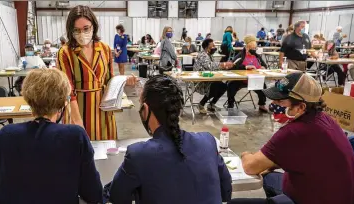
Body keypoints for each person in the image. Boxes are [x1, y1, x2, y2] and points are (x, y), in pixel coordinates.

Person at [230, 73, 354, 204]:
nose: (273, 104)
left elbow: (250, 167)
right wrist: (272, 163)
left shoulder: (293, 132)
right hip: (337, 196)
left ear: (301, 107)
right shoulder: (324, 118)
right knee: (269, 176)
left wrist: (246, 154)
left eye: (280, 101)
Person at [104, 75, 233, 204]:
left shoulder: (138, 155)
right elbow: (226, 192)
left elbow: (117, 197)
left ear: (145, 109)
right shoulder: (207, 141)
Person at [0, 68, 103, 203]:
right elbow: (93, 194)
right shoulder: (75, 136)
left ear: (28, 99)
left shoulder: (7, 134)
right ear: (63, 103)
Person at [57, 5, 136, 140]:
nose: (82, 33)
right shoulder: (65, 53)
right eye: (77, 30)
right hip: (77, 112)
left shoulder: (104, 49)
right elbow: (68, 91)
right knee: (79, 154)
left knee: (106, 153)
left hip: (103, 113)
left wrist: (124, 81)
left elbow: (109, 80)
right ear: (71, 31)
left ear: (93, 26)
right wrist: (78, 124)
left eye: (86, 28)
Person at [226, 36, 268, 112]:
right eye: (253, 48)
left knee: (263, 86)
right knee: (231, 85)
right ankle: (230, 104)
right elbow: (232, 66)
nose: (254, 50)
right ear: (247, 48)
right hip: (241, 80)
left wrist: (263, 67)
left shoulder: (257, 56)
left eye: (255, 48)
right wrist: (245, 67)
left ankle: (262, 104)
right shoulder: (240, 56)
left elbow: (265, 65)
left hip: (254, 79)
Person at [195, 38, 233, 113]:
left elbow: (213, 68)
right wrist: (223, 64)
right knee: (215, 86)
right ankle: (201, 104)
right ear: (207, 47)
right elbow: (209, 66)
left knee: (224, 86)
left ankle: (212, 104)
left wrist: (224, 68)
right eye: (212, 46)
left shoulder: (209, 55)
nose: (214, 47)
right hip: (201, 80)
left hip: (209, 78)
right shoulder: (203, 55)